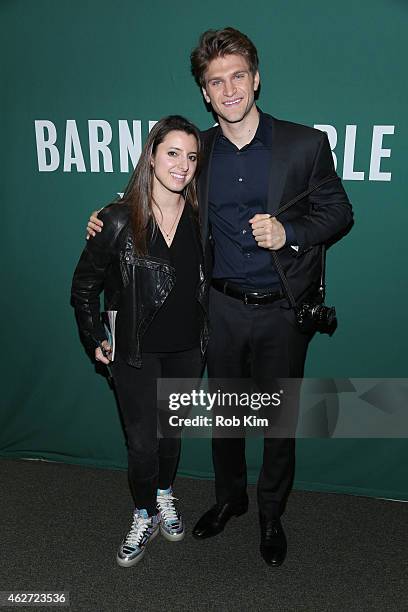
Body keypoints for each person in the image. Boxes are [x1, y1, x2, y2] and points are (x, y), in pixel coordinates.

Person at [86, 28, 353, 567]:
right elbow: (153, 189)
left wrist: (290, 233)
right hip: (221, 310)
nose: (228, 89)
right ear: (205, 94)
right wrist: (105, 216)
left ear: (255, 79)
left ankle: (271, 514)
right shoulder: (198, 150)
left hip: (283, 310)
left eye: (237, 76)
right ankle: (230, 500)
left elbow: (339, 210)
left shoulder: (304, 144)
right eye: (215, 82)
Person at [71, 115, 209, 567]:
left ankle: (164, 493)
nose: (182, 165)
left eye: (191, 157)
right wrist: (95, 336)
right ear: (151, 155)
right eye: (173, 153)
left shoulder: (200, 216)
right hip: (133, 352)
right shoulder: (114, 220)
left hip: (189, 349)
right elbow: (84, 287)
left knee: (170, 437)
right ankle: (144, 512)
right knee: (142, 444)